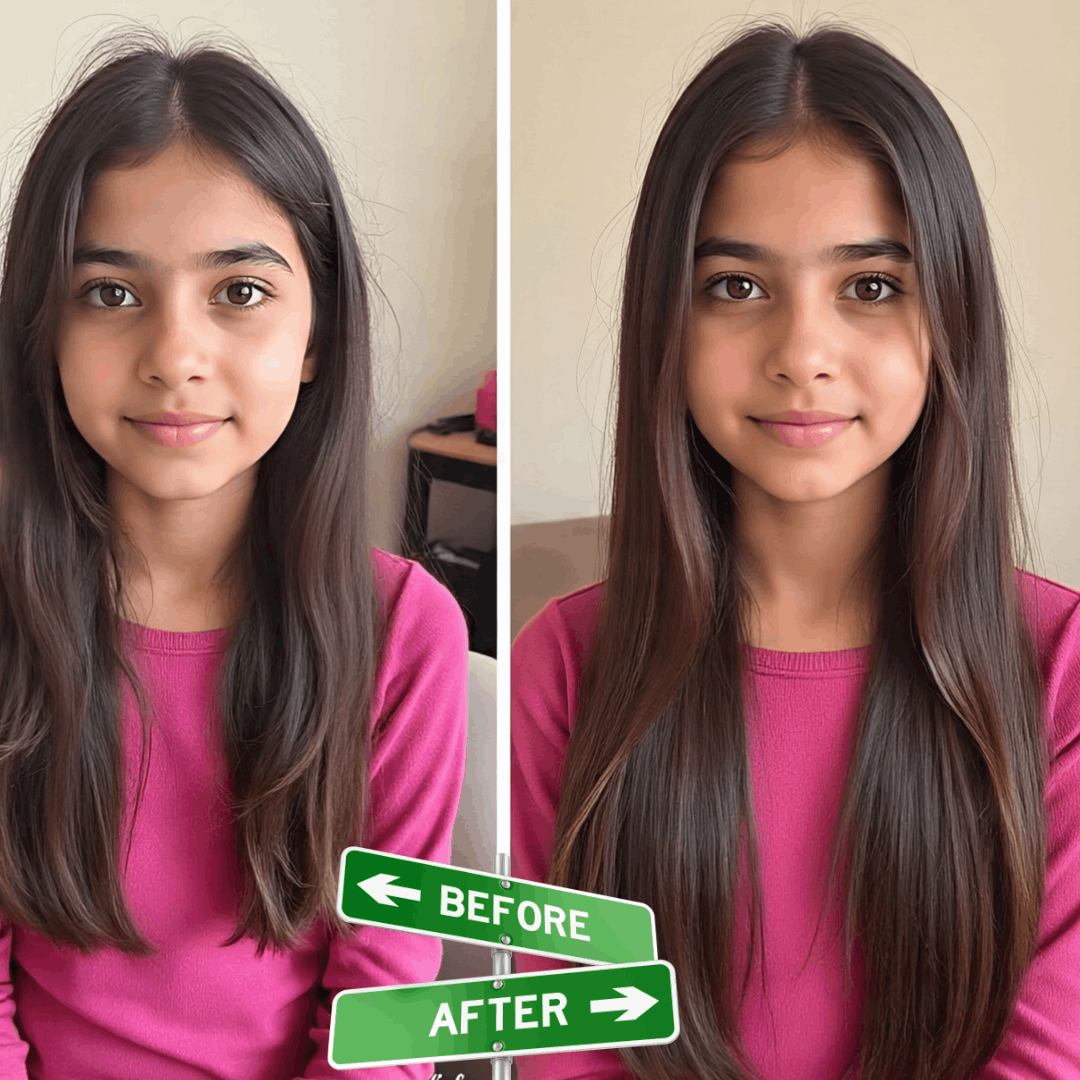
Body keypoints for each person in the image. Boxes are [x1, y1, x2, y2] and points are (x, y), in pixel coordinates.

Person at [511, 20, 1080, 1080]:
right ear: (665, 319)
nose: (801, 354)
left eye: (869, 286)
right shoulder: (566, 668)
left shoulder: (1061, 671)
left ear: (948, 314)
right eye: (736, 285)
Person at [0, 33, 469, 1080]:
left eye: (240, 292)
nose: (175, 355)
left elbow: (381, 1020)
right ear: (45, 330)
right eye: (111, 294)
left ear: (315, 335)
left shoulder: (404, 633)